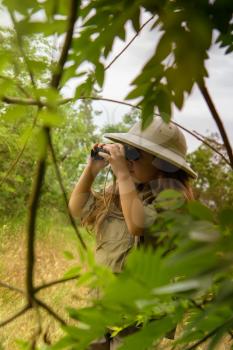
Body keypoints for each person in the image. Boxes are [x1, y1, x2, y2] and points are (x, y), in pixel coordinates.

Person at [68, 117, 197, 349]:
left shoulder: (172, 198)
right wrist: (91, 170)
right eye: (127, 153)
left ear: (164, 164)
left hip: (138, 313)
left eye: (135, 156)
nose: (127, 161)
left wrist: (123, 175)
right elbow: (77, 208)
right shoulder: (119, 191)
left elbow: (137, 224)